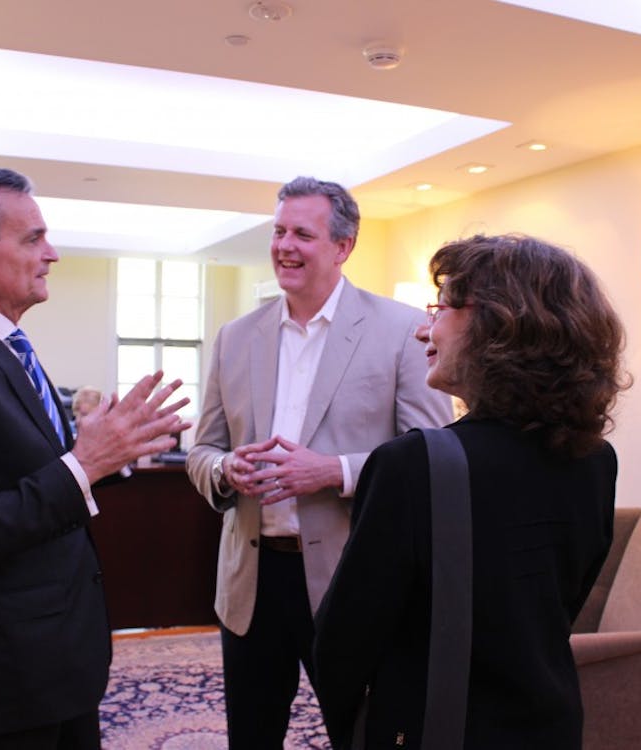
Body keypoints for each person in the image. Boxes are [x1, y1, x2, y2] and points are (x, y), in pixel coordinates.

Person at [0, 168, 189, 750]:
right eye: (32, 239)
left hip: (55, 658)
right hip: (5, 675)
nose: (51, 254)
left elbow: (39, 476)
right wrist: (82, 465)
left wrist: (104, 456)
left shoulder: (6, 346)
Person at [313, 233, 631, 749]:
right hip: (551, 726)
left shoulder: (411, 465)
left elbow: (342, 646)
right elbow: (558, 607)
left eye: (439, 309)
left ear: (495, 323)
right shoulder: (595, 460)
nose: (423, 330)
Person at [185, 176, 452, 747]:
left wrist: (334, 472)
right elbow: (202, 449)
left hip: (353, 577)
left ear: (342, 246)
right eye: (278, 231)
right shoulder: (235, 337)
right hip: (251, 582)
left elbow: (433, 455)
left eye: (302, 234)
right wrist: (224, 471)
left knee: (360, 736)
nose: (284, 246)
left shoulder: (404, 330)